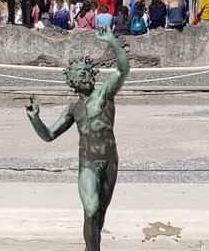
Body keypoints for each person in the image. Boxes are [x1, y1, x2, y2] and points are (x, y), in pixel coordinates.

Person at [26, 27, 129, 251]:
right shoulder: (72, 109)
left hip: (110, 160)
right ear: (71, 80)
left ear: (92, 74)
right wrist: (35, 119)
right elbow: (49, 135)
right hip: (88, 164)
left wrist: (112, 41)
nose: (82, 74)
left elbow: (123, 69)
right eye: (77, 72)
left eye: (85, 70)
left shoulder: (105, 95)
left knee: (99, 214)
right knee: (91, 209)